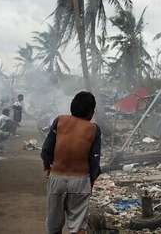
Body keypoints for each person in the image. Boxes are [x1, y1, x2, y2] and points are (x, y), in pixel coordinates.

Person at [41, 91, 102, 234]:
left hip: (57, 177)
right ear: (91, 112)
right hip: (80, 180)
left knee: (53, 224)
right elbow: (94, 160)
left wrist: (48, 169)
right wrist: (91, 181)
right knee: (78, 226)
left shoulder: (59, 121)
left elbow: (45, 150)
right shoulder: (93, 129)